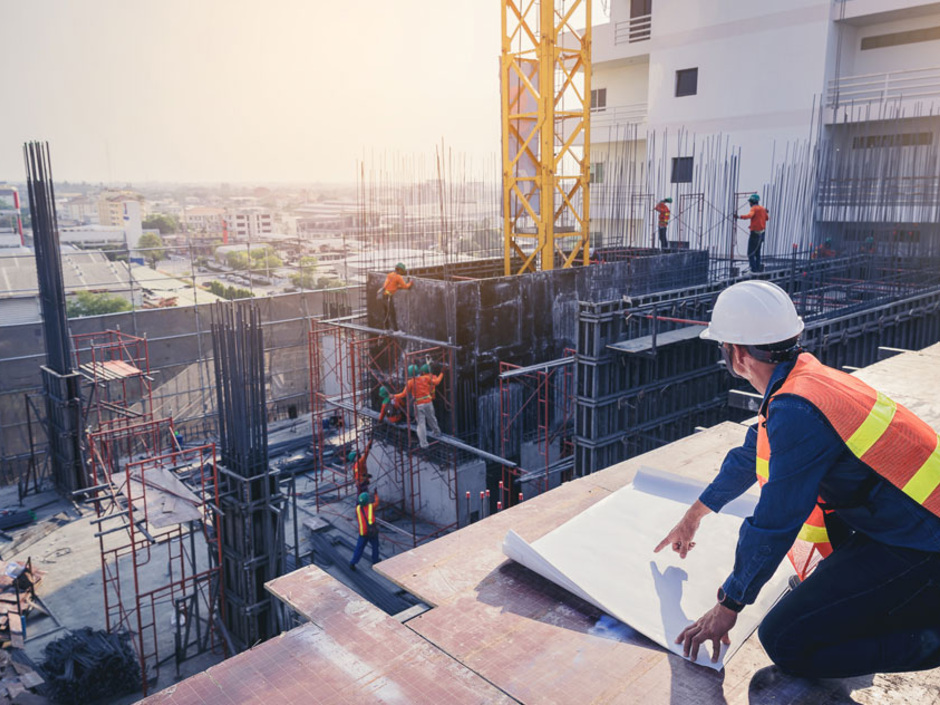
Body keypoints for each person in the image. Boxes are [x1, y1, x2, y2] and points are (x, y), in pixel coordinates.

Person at [655, 280, 940, 677]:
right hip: (907, 523)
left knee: (786, 639)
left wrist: (729, 604)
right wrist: (694, 515)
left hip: (924, 545)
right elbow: (748, 457)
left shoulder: (796, 410)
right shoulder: (804, 383)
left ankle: (929, 641)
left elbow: (775, 522)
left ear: (735, 354)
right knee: (817, 601)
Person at [393, 364, 443, 449]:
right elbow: (437, 381)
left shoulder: (410, 382)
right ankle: (437, 432)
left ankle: (424, 444)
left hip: (419, 404)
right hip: (428, 402)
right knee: (432, 418)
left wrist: (394, 396)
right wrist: (442, 372)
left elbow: (403, 394)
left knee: (421, 424)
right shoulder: (426, 378)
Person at [736, 194, 769, 273]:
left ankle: (753, 270)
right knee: (757, 253)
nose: (749, 204)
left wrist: (739, 216)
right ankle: (757, 269)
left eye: (750, 202)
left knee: (750, 253)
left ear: (752, 202)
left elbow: (749, 216)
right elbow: (767, 218)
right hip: (762, 234)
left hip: (754, 234)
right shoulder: (763, 209)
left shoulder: (754, 208)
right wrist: (765, 212)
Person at [349, 491, 380, 569]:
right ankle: (375, 561)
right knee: (375, 546)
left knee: (359, 548)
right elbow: (377, 503)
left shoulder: (357, 509)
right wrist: (376, 495)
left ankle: (353, 562)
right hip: (371, 532)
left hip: (363, 532)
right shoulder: (371, 507)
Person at [380, 262, 413, 331]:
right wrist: (411, 282)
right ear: (400, 270)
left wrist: (397, 286)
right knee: (392, 314)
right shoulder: (398, 277)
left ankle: (386, 329)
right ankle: (396, 330)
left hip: (384, 296)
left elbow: (390, 285)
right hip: (388, 297)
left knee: (386, 313)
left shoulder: (390, 274)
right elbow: (405, 286)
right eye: (402, 271)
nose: (402, 273)